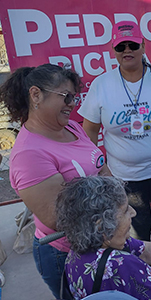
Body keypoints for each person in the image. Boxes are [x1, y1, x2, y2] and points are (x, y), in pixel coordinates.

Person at [79, 21, 151, 277]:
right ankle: (145, 271)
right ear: (114, 49)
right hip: (124, 175)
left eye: (132, 44)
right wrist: (97, 168)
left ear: (143, 45)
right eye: (121, 45)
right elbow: (89, 132)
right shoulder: (102, 84)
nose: (127, 49)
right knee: (136, 225)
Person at [0, 64, 105, 298]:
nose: (72, 104)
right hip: (65, 253)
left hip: (97, 238)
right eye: (66, 97)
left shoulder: (71, 128)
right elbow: (59, 218)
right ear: (36, 95)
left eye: (74, 97)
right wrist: (115, 215)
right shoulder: (29, 154)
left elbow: (99, 166)